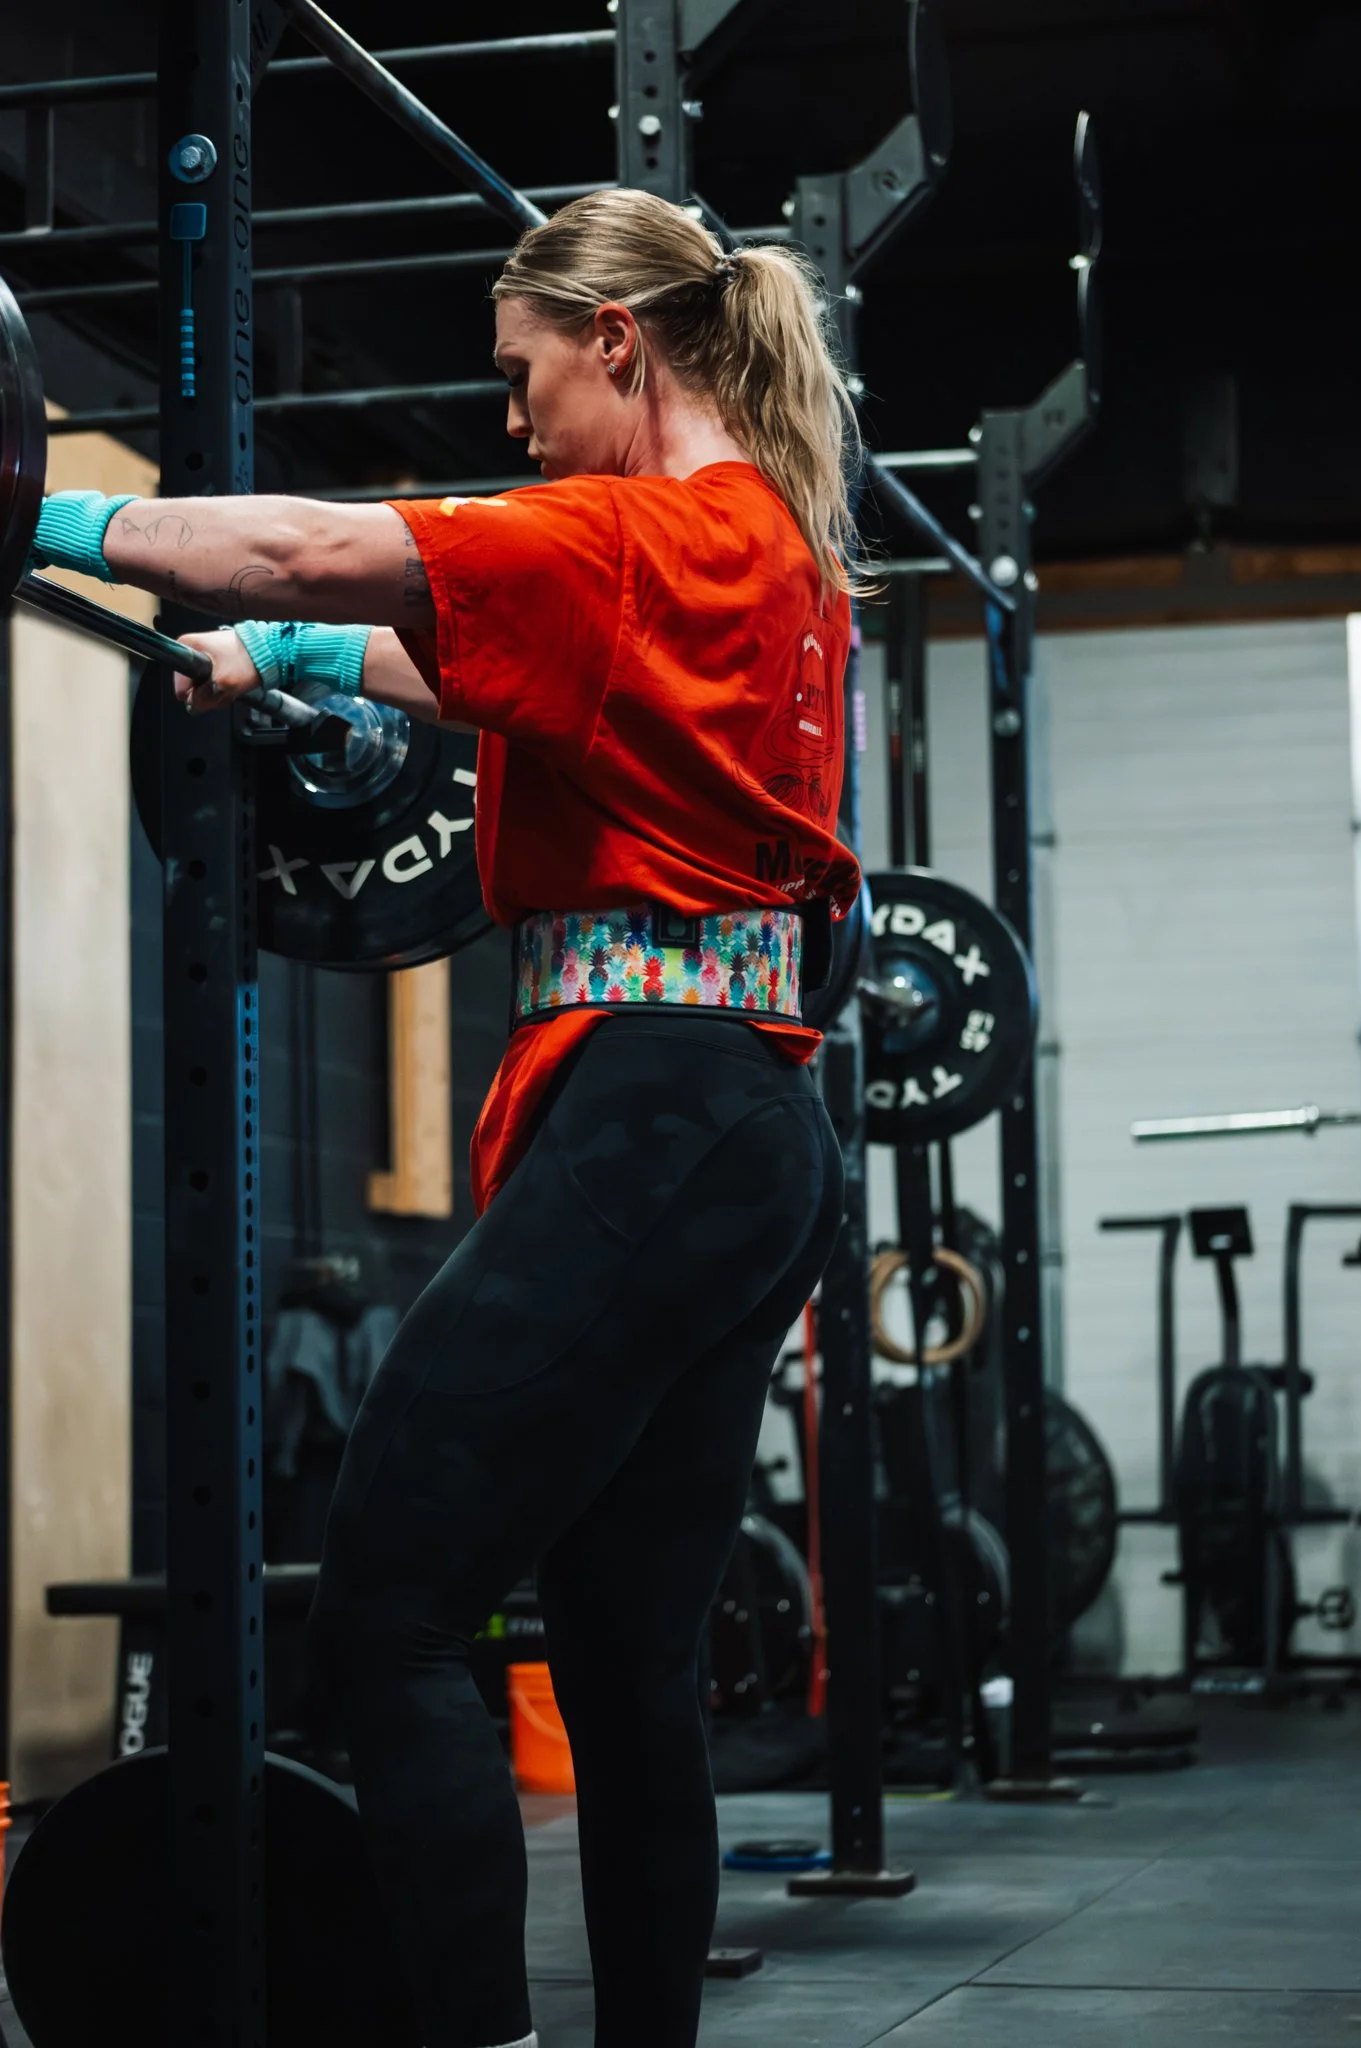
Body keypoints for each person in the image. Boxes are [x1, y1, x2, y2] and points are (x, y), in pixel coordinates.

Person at [30, 186, 862, 2048]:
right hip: (749, 1126)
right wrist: (293, 673)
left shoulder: (638, 531)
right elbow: (452, 661)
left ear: (617, 344)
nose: (511, 418)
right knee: (637, 1671)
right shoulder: (761, 551)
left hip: (650, 1121)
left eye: (522, 375)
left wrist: (53, 513)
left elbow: (319, 553)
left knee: (390, 1618)